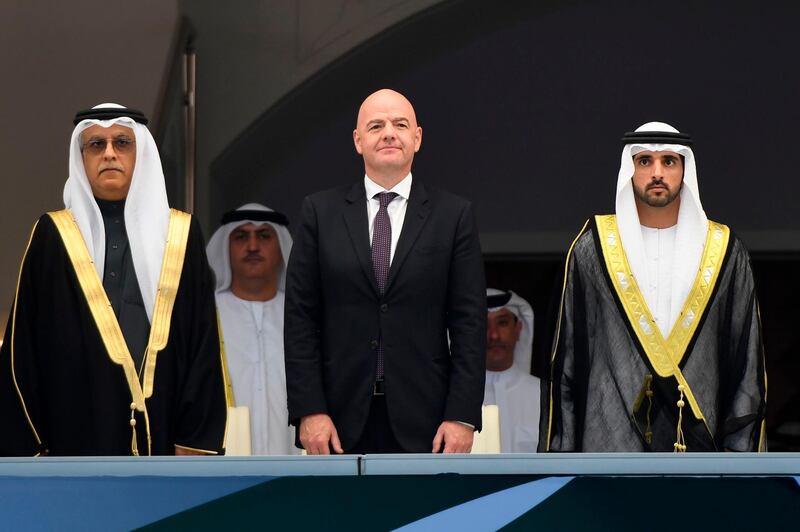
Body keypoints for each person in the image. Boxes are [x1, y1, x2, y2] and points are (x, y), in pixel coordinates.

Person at [0, 103, 227, 456]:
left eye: (122, 143)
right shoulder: (52, 235)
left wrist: (194, 444)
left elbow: (202, 345)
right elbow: (21, 352)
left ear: (142, 154)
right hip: (71, 444)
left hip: (165, 442)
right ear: (82, 158)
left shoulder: (180, 233)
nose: (108, 154)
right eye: (95, 145)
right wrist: (32, 451)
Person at [541, 122, 767, 452]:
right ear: (629, 169)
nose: (656, 172)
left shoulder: (723, 251)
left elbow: (745, 364)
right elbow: (567, 362)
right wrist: (563, 463)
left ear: (684, 169)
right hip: (607, 452)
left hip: (700, 456)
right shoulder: (593, 248)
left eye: (669, 161)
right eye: (644, 161)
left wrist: (738, 464)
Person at [285, 89, 486, 454]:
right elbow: (300, 318)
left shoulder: (453, 216)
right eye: (376, 125)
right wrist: (309, 410)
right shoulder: (319, 212)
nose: (389, 133)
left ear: (418, 138)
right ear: (358, 141)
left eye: (400, 124)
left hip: (428, 422)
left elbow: (469, 323)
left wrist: (462, 415)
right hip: (336, 423)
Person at [207, 203, 298, 455]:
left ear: (281, 248)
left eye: (264, 236)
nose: (253, 246)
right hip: (223, 465)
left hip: (292, 462)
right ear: (226, 247)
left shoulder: (301, 314)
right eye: (241, 237)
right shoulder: (206, 314)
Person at [484, 289, 541, 453]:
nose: (493, 335)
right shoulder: (452, 401)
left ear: (519, 329)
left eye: (502, 323)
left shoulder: (546, 396)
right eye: (483, 324)